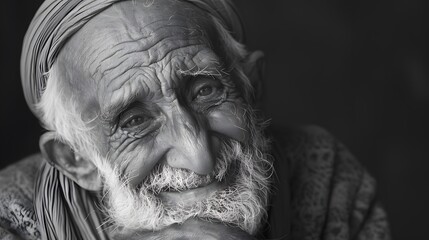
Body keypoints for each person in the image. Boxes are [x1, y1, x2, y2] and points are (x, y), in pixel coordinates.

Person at [0, 0, 391, 239]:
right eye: (134, 121)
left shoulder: (327, 178)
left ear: (251, 86)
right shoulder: (8, 220)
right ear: (76, 159)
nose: (198, 155)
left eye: (206, 91)